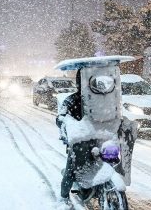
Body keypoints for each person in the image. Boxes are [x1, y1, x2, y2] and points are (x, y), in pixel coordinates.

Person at [56, 69, 82, 205]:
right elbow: (60, 118)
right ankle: (64, 197)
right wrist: (66, 123)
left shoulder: (106, 100)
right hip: (80, 141)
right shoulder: (72, 100)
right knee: (71, 169)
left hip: (103, 140)